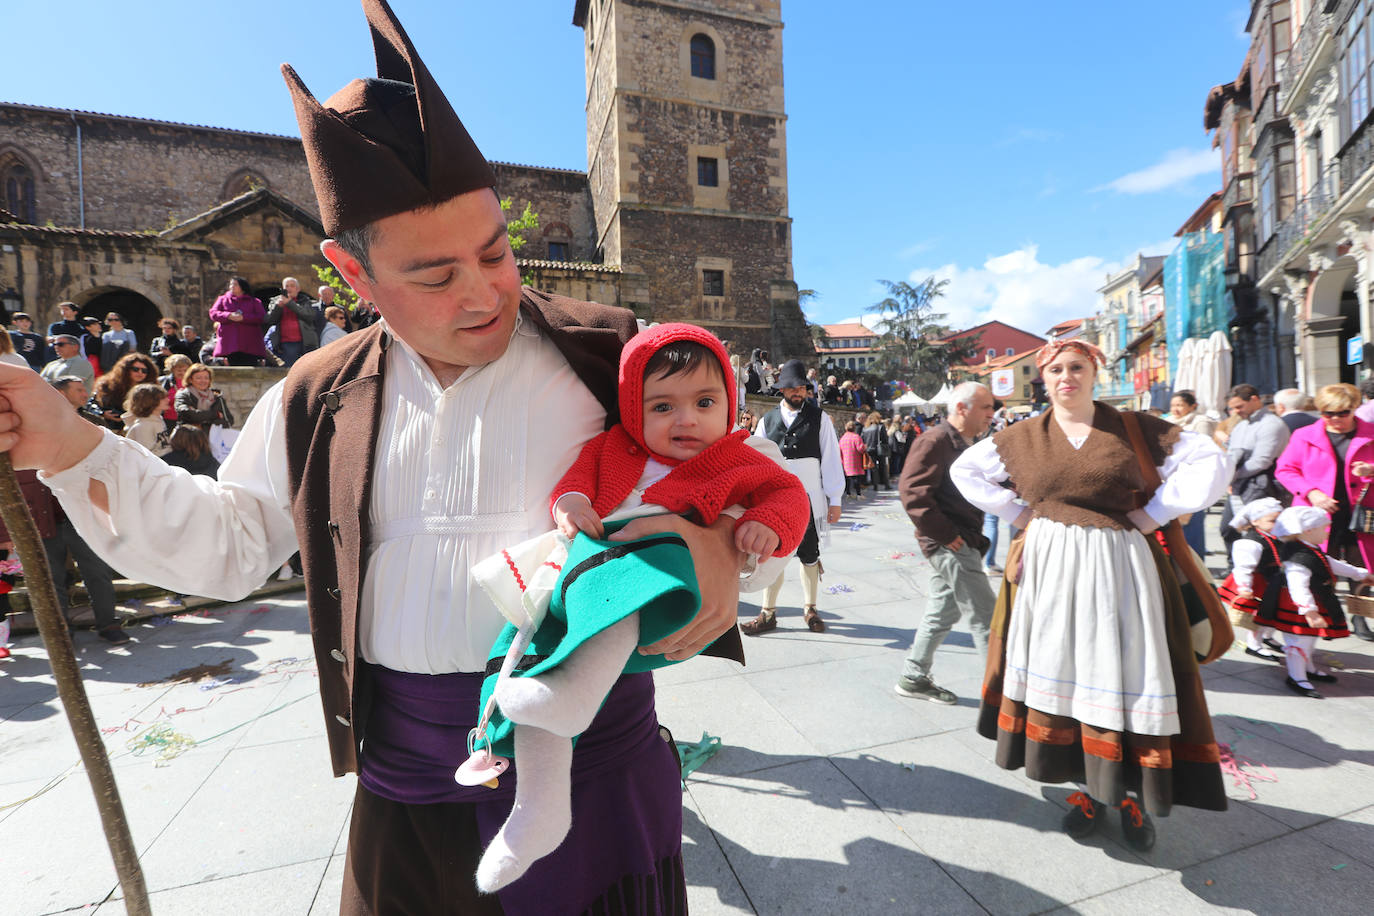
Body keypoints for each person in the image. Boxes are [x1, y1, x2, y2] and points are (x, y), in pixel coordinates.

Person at [0, 3, 742, 911]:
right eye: (435, 275)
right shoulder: (316, 392)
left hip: (598, 768)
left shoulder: (610, 354)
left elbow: (723, 475)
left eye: (496, 252)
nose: (484, 293)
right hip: (407, 785)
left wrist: (718, 547)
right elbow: (228, 546)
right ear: (351, 277)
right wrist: (71, 445)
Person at [470, 323, 807, 891]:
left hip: (654, 572)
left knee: (603, 616)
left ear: (730, 403)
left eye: (705, 402)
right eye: (662, 406)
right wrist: (571, 503)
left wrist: (763, 525)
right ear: (633, 409)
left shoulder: (738, 456)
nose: (686, 420)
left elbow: (788, 494)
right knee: (522, 656)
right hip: (585, 567)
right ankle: (538, 808)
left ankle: (572, 695)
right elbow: (575, 486)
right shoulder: (610, 446)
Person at [951, 337, 1230, 852]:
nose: (1066, 377)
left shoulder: (1134, 427)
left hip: (1121, 566)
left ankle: (1131, 795)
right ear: (1044, 378)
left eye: (1076, 367)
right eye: (1056, 369)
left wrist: (1152, 515)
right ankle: (1086, 789)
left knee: (1124, 671)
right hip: (1051, 569)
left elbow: (1209, 460)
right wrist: (1018, 514)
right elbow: (962, 471)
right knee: (1066, 672)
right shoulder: (1022, 435)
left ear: (1095, 372)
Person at [895, 381, 997, 704]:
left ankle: (914, 676)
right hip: (951, 544)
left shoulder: (966, 443)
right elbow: (911, 492)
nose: (991, 414)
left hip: (960, 540)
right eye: (986, 407)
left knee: (941, 612)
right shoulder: (935, 440)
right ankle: (1004, 700)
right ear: (962, 408)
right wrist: (945, 536)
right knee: (987, 618)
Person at [748, 358, 846, 634]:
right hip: (777, 500)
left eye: (802, 387)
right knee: (772, 554)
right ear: (782, 389)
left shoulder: (819, 418)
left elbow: (831, 459)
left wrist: (835, 499)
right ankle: (768, 613)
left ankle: (810, 609)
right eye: (793, 388)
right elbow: (757, 462)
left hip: (811, 498)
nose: (798, 392)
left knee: (809, 554)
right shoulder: (767, 421)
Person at [1274, 382, 1374, 642]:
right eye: (1328, 413)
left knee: (1360, 567)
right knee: (1316, 568)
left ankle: (1361, 617)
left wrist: (1371, 471)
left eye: (1343, 413)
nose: (1336, 419)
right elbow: (1284, 470)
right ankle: (1325, 619)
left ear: (1354, 409)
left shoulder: (1371, 433)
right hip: (1316, 517)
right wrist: (1312, 493)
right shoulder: (1304, 435)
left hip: (1361, 514)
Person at [41, 376, 129, 645]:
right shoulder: (37, 424)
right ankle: (60, 631)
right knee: (51, 578)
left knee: (97, 570)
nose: (85, 393)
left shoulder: (95, 423)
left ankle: (108, 624)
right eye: (78, 389)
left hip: (83, 510)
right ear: (59, 393)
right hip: (47, 514)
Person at [1255, 506, 1370, 697]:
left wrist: (1361, 575)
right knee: (1299, 640)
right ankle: (1297, 677)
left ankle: (1306, 668)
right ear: (1308, 530)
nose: (1327, 532)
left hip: (1313, 600)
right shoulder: (1298, 556)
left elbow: (1331, 564)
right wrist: (1309, 610)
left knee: (1308, 638)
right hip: (1299, 605)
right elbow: (1297, 585)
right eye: (1323, 528)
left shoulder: (1310, 548)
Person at [1217, 497, 1286, 662]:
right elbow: (1243, 567)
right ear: (1255, 521)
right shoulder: (1250, 542)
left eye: (1280, 520)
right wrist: (1244, 587)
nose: (1277, 524)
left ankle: (1268, 637)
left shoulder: (1277, 536)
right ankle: (1254, 644)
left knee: (1274, 612)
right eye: (1272, 520)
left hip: (1274, 580)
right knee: (1259, 615)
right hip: (1258, 583)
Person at [1222, 384, 1290, 550]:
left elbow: (1261, 461)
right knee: (1229, 530)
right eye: (1232, 408)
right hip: (1239, 486)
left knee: (1257, 535)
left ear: (1254, 400)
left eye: (1240, 406)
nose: (1236, 411)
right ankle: (1237, 569)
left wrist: (1232, 475)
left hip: (1262, 486)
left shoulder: (1271, 424)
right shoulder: (1241, 426)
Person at [1168, 390, 1219, 558]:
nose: (1176, 409)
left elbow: (1202, 448)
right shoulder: (1168, 421)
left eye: (1180, 405)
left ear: (1192, 406)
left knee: (1192, 524)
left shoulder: (1200, 422)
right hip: (1171, 478)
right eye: (1173, 405)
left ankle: (1196, 564)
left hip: (1193, 478)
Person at [208, 277, 269, 366]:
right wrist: (228, 315)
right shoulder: (222, 299)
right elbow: (213, 313)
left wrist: (244, 318)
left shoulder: (254, 302)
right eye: (231, 284)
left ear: (242, 287)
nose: (232, 286)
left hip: (250, 343)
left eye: (235, 284)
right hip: (229, 343)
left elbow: (261, 317)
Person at [89, 352, 157, 431]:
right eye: (135, 369)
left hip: (139, 429)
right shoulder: (107, 385)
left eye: (144, 370)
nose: (140, 373)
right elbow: (91, 403)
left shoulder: (151, 389)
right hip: (111, 429)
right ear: (125, 369)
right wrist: (103, 413)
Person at [265, 276, 321, 365]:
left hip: (306, 343)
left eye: (292, 286)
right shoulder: (275, 301)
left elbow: (309, 316)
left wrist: (290, 303)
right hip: (287, 343)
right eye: (286, 286)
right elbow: (270, 320)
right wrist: (278, 307)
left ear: (298, 289)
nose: (289, 288)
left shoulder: (306, 301)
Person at [173, 363, 230, 433]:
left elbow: (228, 419)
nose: (203, 381)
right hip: (189, 437)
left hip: (214, 437)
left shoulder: (217, 397)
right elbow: (187, 414)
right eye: (198, 378)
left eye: (206, 378)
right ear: (190, 379)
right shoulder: (183, 395)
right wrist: (215, 415)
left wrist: (200, 418)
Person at [121, 383, 171, 456]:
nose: (168, 400)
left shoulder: (158, 419)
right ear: (149, 401)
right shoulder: (143, 426)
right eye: (162, 398)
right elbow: (147, 455)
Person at [159, 353, 193, 427]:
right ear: (172, 370)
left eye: (185, 370)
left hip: (187, 419)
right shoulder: (164, 382)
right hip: (167, 419)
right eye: (179, 370)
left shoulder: (192, 382)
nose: (182, 373)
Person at [861, 411, 890, 492]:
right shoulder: (881, 427)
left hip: (869, 450)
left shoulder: (865, 428)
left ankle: (875, 486)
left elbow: (862, 439)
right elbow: (885, 439)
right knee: (883, 467)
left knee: (873, 468)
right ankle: (886, 485)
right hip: (879, 449)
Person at [838, 420, 866, 497]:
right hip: (855, 460)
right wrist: (865, 447)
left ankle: (848, 493)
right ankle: (858, 494)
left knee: (847, 478)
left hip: (846, 461)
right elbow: (860, 449)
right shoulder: (856, 437)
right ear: (854, 428)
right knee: (856, 478)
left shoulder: (842, 438)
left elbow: (839, 450)